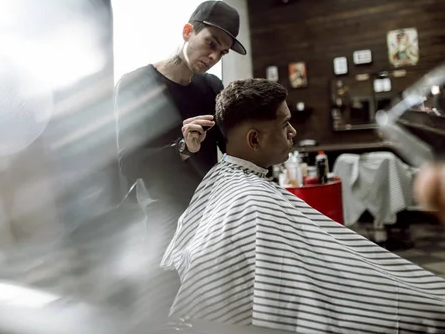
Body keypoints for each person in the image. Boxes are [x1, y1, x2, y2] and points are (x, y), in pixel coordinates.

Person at [162, 79, 445, 333]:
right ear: (254, 139)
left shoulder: (230, 184)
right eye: (285, 124)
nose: (293, 132)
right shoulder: (251, 202)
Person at [113, 0, 246, 324]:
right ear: (188, 32)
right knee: (159, 297)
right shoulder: (137, 84)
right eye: (210, 44)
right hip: (164, 205)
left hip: (210, 203)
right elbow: (129, 163)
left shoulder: (212, 87)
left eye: (222, 52)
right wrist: (182, 149)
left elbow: (228, 147)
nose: (214, 57)